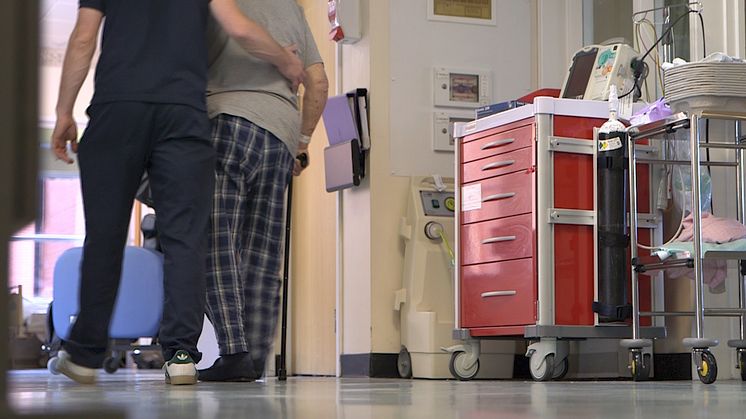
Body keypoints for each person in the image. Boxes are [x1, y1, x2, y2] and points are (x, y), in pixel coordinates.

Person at [50, 0, 304, 386]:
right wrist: (287, 63)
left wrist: (64, 112)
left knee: (105, 234)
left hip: (119, 107)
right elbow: (239, 28)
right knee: (186, 237)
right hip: (184, 113)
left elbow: (84, 38)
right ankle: (181, 355)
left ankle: (85, 354)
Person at [198, 0, 329, 381]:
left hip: (227, 118)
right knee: (263, 251)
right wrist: (302, 142)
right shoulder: (292, 9)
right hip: (281, 134)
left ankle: (234, 351)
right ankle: (255, 358)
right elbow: (318, 83)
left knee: (216, 240)